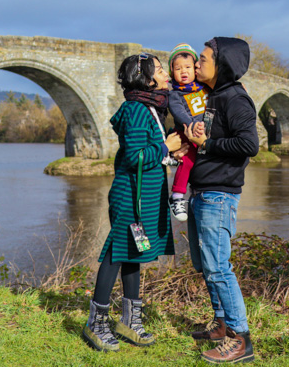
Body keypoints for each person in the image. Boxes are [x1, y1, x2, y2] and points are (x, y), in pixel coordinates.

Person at [83, 53, 187, 352]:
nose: (167, 74)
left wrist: (168, 153)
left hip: (146, 195)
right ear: (146, 79)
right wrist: (166, 145)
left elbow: (147, 153)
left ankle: (130, 320)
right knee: (117, 252)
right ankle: (96, 322)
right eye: (160, 70)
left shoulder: (150, 108)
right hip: (131, 195)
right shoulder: (136, 110)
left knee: (134, 254)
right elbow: (134, 158)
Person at [183, 37, 259, 364]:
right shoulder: (213, 96)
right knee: (205, 265)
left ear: (221, 64)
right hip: (202, 193)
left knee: (219, 268)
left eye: (202, 59)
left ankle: (240, 339)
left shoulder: (236, 99)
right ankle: (221, 324)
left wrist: (208, 144)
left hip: (219, 195)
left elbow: (249, 144)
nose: (196, 64)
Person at [166, 43, 208, 222]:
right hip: (186, 132)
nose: (183, 71)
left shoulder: (204, 86)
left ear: (195, 68)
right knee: (188, 160)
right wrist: (192, 125)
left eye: (188, 67)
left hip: (205, 132)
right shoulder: (175, 94)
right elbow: (179, 112)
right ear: (172, 72)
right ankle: (176, 197)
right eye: (178, 68)